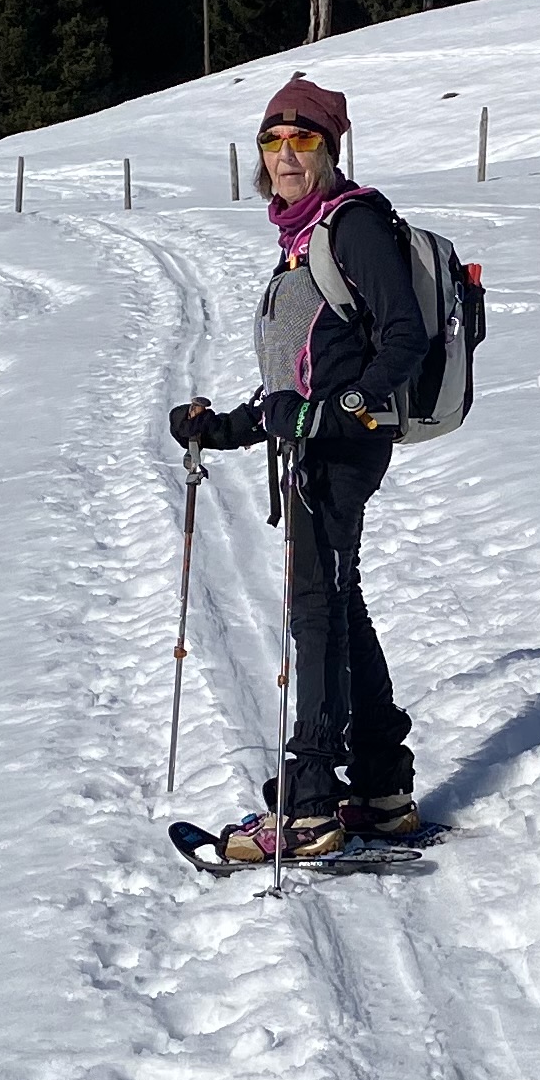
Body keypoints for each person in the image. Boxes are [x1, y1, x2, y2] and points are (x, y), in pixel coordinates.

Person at [168, 75, 432, 864]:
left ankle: (311, 806)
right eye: (272, 141)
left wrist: (334, 410)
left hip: (343, 450)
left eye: (303, 140)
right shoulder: (302, 234)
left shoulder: (351, 225)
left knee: (314, 612)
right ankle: (382, 789)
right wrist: (224, 429)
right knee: (337, 604)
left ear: (330, 148)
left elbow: (403, 340)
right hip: (319, 443)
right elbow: (299, 380)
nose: (285, 154)